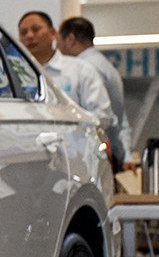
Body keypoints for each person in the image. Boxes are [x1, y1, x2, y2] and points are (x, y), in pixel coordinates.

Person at [16, 10, 118, 161]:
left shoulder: (80, 71)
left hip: (77, 159)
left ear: (53, 33)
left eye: (36, 29)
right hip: (28, 159)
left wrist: (68, 119)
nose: (29, 36)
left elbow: (103, 116)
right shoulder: (14, 76)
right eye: (23, 33)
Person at [58, 15, 130, 168]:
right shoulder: (106, 66)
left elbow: (103, 116)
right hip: (110, 149)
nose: (58, 47)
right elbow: (120, 117)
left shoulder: (83, 69)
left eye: (59, 40)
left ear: (70, 38)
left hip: (93, 152)